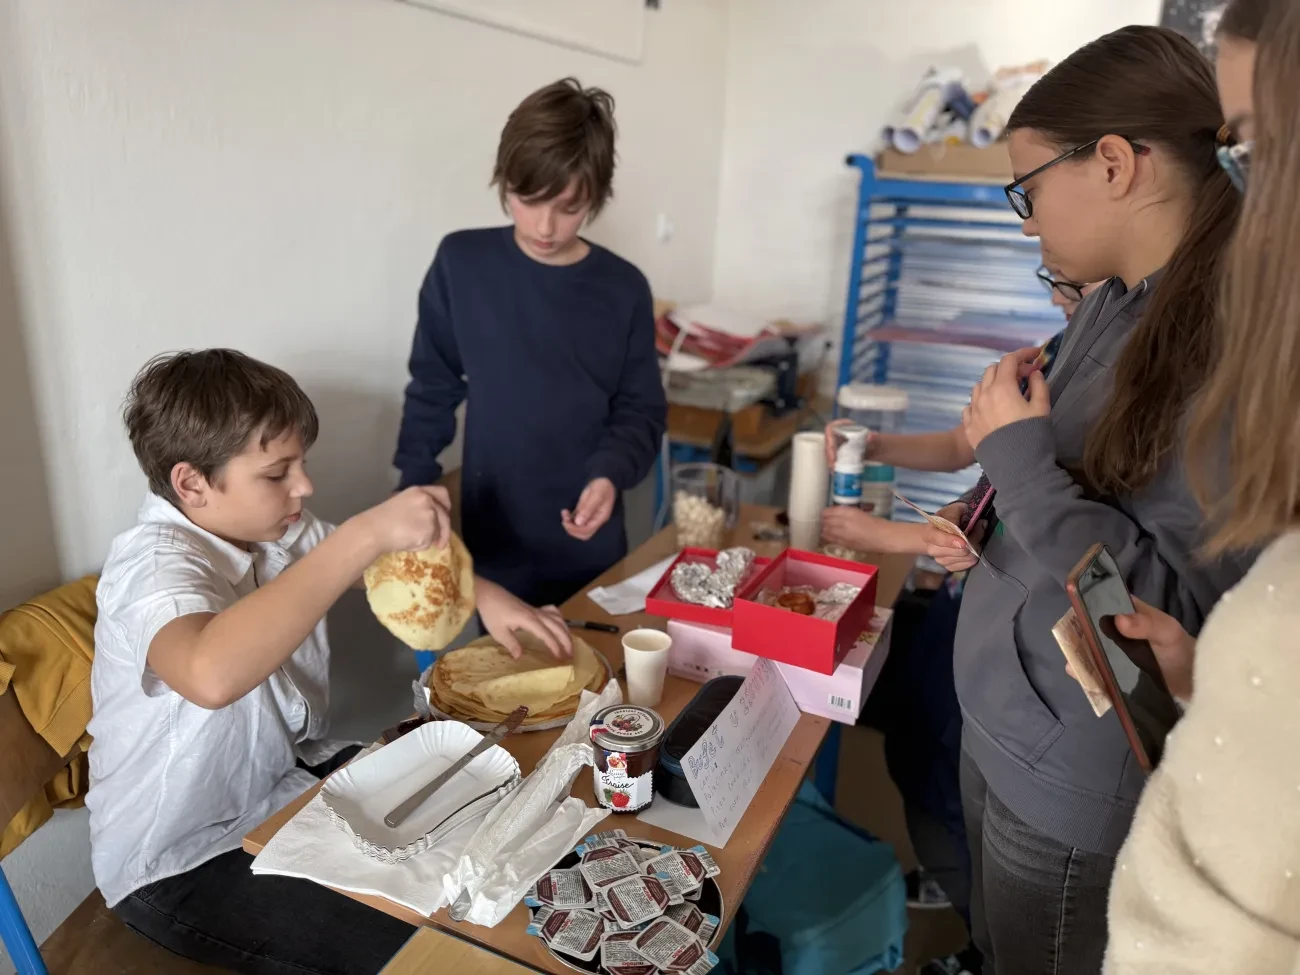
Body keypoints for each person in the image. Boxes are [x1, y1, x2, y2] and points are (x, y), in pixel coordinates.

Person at [87, 349, 570, 975]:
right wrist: (363, 534)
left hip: (281, 790)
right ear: (191, 484)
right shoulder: (153, 568)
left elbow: (378, 565)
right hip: (179, 864)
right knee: (442, 949)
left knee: (496, 827)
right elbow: (209, 673)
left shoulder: (272, 533)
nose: (304, 486)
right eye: (277, 473)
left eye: (302, 465)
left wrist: (487, 596)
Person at [951, 26, 1255, 973]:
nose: (1028, 223)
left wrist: (1017, 464)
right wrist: (991, 499)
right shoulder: (1119, 299)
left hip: (1073, 769)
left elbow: (1156, 617)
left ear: (1115, 164)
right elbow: (1062, 491)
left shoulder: (1230, 346)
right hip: (1008, 719)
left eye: (1029, 191)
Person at [823, 265, 1096, 975]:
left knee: (945, 781)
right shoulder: (1057, 354)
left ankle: (974, 920)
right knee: (922, 755)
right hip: (968, 621)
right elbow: (970, 459)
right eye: (1052, 283)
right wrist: (877, 447)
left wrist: (891, 536)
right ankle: (964, 894)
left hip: (1018, 664)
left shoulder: (1104, 378)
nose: (1055, 295)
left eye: (1070, 286)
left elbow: (1037, 533)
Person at [1106, 0, 1300, 968]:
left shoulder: (1205, 367)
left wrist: (1014, 463)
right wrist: (1202, 680)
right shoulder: (1100, 312)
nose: (1248, 217)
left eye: (1257, 150)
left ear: (1115, 166)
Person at [394, 78, 667, 609]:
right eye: (528, 200)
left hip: (590, 540)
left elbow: (640, 410)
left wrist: (610, 474)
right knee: (503, 664)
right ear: (504, 181)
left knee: (597, 661)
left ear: (596, 196)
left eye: (568, 207)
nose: (545, 226)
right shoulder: (461, 264)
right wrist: (414, 481)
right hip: (494, 540)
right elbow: (433, 383)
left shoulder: (623, 288)